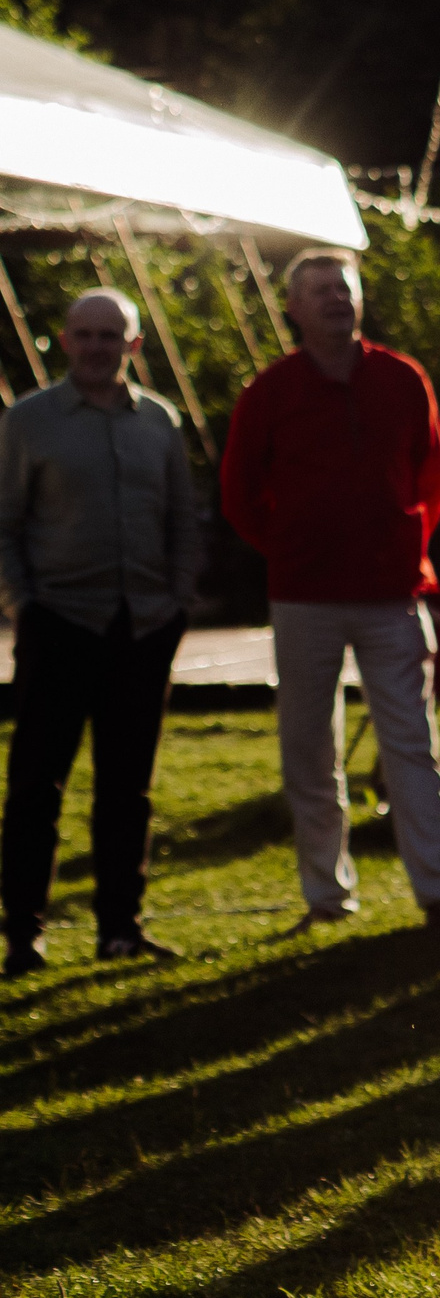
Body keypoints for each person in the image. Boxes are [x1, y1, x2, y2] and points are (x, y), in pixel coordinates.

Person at [219, 250, 440, 929]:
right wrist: (290, 547)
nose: (336, 298)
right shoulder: (270, 392)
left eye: (344, 287)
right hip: (304, 594)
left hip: (392, 593)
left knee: (413, 742)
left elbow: (433, 481)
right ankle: (327, 898)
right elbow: (239, 493)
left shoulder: (401, 379)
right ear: (294, 308)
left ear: (360, 299)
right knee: (310, 749)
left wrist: (401, 543)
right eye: (319, 290)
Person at [0, 290, 200, 973]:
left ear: (133, 345)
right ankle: (23, 934)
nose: (95, 347)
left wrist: (176, 601)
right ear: (64, 339)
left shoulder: (160, 423)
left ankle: (121, 928)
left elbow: (183, 518)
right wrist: (24, 601)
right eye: (83, 334)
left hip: (142, 625)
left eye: (109, 336)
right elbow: (5, 524)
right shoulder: (28, 422)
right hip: (59, 620)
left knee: (127, 788)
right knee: (35, 786)